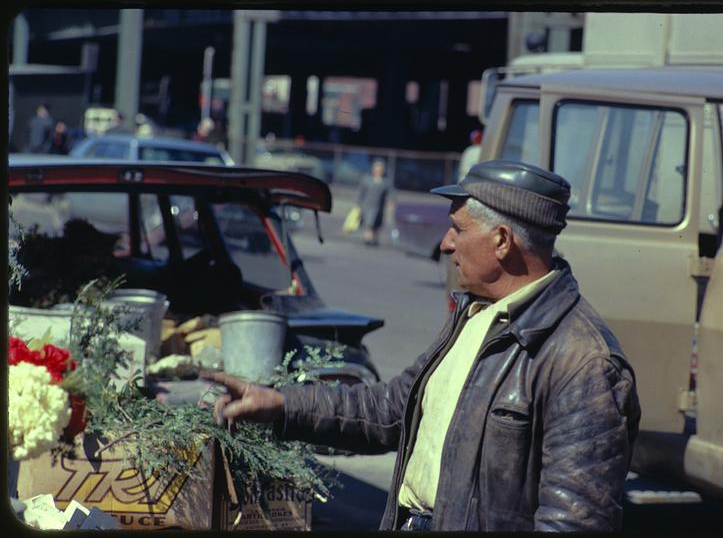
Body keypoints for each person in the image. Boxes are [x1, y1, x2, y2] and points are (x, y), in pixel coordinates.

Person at [204, 159, 641, 531]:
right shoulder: (476, 315)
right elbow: (394, 409)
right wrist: (280, 404)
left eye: (457, 228)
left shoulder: (584, 361)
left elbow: (574, 520)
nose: (445, 243)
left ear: (502, 241)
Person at [356, 157, 393, 246]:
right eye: (376, 168)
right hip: (367, 206)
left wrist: (390, 206)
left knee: (377, 224)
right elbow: (361, 193)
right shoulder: (367, 179)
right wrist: (358, 205)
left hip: (379, 207)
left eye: (380, 168)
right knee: (368, 223)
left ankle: (375, 239)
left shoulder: (386, 182)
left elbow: (390, 195)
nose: (378, 170)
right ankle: (367, 239)